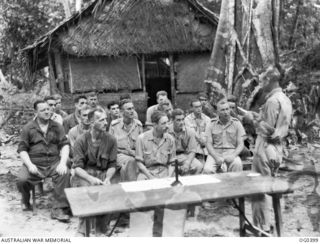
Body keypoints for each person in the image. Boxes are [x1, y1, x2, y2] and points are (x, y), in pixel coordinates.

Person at [247, 67, 292, 233]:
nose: (260, 84)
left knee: (260, 187)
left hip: (265, 148)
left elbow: (267, 130)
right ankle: (266, 223)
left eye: (262, 81)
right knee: (268, 185)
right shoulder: (284, 99)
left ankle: (261, 227)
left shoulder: (272, 101)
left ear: (269, 81)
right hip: (277, 148)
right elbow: (279, 127)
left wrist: (251, 120)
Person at [129, 110, 186, 237]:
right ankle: (142, 231)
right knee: (139, 192)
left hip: (166, 172)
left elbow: (172, 162)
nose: (167, 125)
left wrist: (168, 177)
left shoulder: (170, 138)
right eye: (164, 123)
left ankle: (170, 231)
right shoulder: (142, 138)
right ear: (154, 124)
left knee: (178, 192)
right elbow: (139, 163)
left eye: (167, 122)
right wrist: (150, 177)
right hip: (147, 172)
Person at [16, 100, 70, 222]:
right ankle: (25, 198)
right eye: (43, 110)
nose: (47, 112)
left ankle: (59, 209)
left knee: (65, 173)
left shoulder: (57, 126)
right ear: (36, 112)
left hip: (53, 162)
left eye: (48, 109)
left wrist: (62, 163)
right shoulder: (28, 128)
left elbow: (65, 145)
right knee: (22, 180)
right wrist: (30, 165)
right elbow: (22, 149)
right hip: (35, 162)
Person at [72, 108, 118, 236]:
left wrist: (108, 178)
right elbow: (77, 167)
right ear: (91, 122)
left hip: (103, 173)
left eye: (105, 119)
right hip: (85, 174)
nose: (105, 122)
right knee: (87, 191)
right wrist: (91, 179)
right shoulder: (81, 140)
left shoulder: (111, 140)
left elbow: (112, 164)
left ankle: (102, 226)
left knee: (111, 190)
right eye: (101, 120)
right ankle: (83, 229)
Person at [204, 99, 245, 173]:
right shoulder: (211, 124)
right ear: (217, 112)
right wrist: (216, 157)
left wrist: (233, 155)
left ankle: (235, 185)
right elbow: (208, 144)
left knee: (237, 164)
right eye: (222, 110)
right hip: (215, 153)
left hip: (231, 153)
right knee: (207, 170)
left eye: (227, 109)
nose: (226, 112)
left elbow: (241, 144)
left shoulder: (237, 123)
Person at [109, 99, 143, 181]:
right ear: (121, 111)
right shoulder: (114, 125)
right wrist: (127, 152)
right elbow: (110, 146)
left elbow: (142, 146)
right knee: (131, 162)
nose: (132, 111)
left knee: (132, 163)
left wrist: (134, 153)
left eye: (132, 108)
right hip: (119, 155)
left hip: (135, 155)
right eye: (129, 109)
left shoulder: (138, 125)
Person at [168, 108, 203, 175]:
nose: (181, 122)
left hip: (184, 155)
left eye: (182, 119)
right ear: (172, 120)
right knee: (170, 172)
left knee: (199, 166)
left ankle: (192, 184)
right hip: (170, 156)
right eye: (178, 120)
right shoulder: (167, 131)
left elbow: (192, 150)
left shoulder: (190, 131)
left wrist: (187, 163)